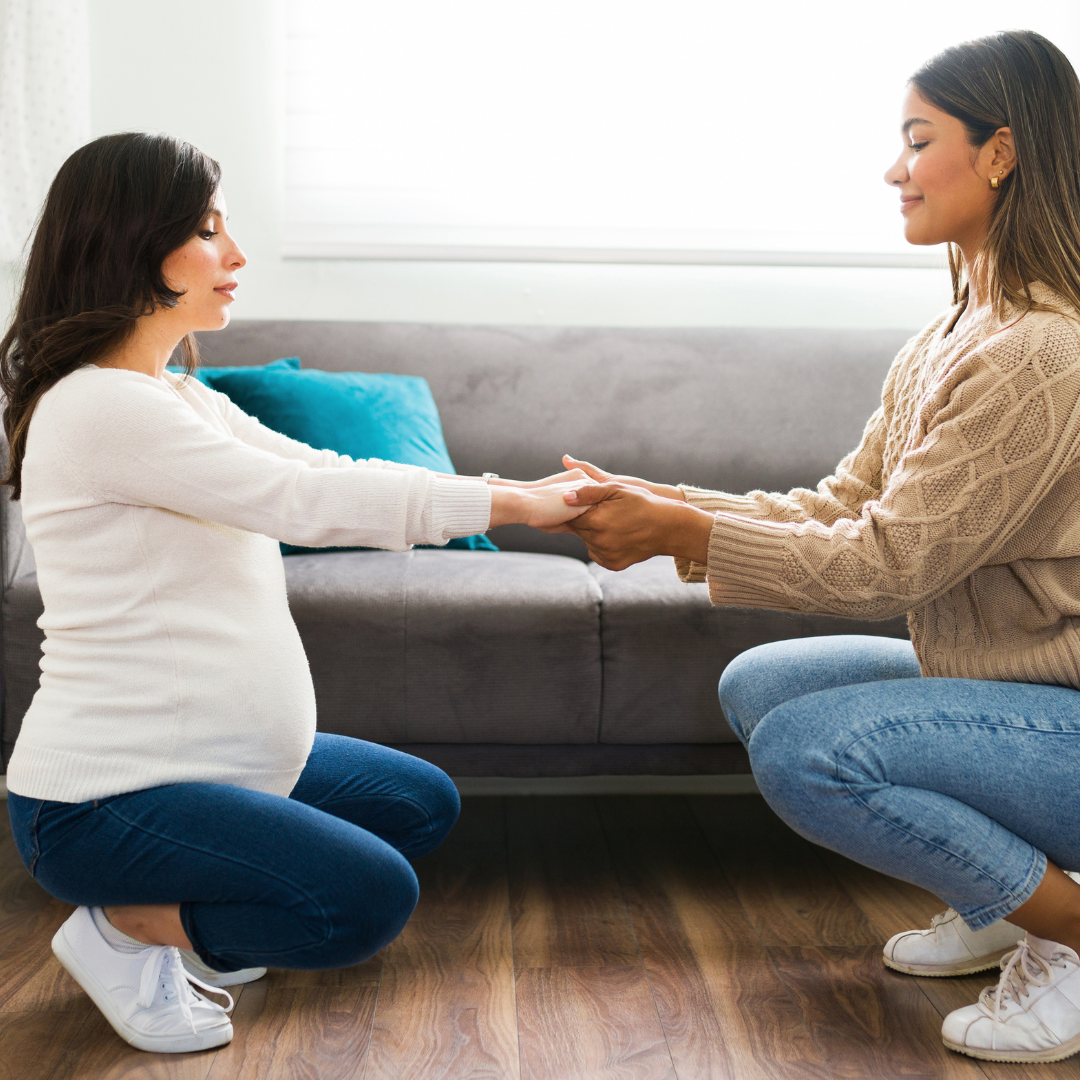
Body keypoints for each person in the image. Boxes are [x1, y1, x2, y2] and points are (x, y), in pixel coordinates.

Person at [1, 132, 596, 1054]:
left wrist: (515, 491)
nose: (235, 256)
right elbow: (304, 500)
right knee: (363, 901)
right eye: (206, 231)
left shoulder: (175, 395)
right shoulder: (98, 406)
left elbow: (316, 464)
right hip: (104, 800)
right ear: (129, 243)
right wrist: (512, 504)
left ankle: (192, 908)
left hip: (207, 764)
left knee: (419, 803)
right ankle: (124, 927)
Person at [551, 30, 1080, 1066]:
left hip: (1065, 716)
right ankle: (1009, 900)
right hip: (1018, 693)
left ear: (1002, 153)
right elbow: (842, 501)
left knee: (809, 753)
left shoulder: (1040, 352)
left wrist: (683, 533)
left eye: (918, 139)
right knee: (765, 686)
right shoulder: (953, 332)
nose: (894, 168)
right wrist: (671, 504)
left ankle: (1070, 936)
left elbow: (888, 565)